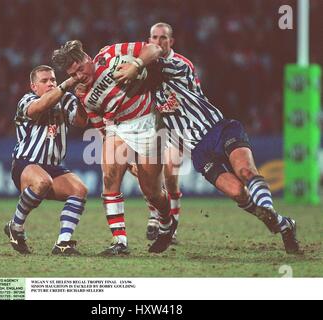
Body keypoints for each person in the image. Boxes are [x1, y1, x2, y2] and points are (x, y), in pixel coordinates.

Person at [116, 54, 300, 255]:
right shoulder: (143, 105)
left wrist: (139, 62)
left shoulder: (175, 75)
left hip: (219, 130)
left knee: (246, 171)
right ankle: (284, 224)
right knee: (238, 193)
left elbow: (158, 56)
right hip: (200, 153)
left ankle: (268, 208)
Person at [52, 41, 176, 255]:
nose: (80, 76)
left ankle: (167, 222)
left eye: (81, 69)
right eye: (74, 74)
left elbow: (154, 49)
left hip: (147, 120)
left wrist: (136, 65)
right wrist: (124, 161)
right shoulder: (81, 93)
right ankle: (120, 241)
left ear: (87, 58)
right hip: (117, 128)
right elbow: (98, 123)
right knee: (109, 179)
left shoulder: (111, 53)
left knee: (152, 192)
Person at [4, 65, 88, 255]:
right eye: (44, 81)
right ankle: (15, 226)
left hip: (53, 167)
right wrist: (68, 83)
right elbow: (39, 108)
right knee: (42, 181)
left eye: (53, 80)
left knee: (79, 190)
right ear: (34, 87)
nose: (50, 83)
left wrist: (81, 99)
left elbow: (82, 122)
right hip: (25, 163)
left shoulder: (66, 99)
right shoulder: (27, 100)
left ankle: (63, 243)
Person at [143, 22, 203, 244]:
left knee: (169, 172)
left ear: (171, 41)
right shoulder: (144, 62)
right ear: (149, 40)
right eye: (154, 37)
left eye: (163, 38)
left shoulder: (183, 65)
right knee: (149, 174)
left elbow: (197, 97)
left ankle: (171, 226)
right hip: (152, 127)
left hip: (177, 127)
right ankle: (156, 215)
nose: (158, 42)